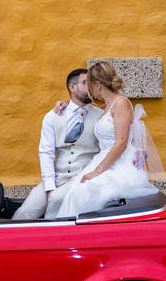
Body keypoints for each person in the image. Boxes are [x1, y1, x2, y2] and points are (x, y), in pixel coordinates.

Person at [47, 61, 160, 219]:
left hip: (118, 162)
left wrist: (97, 171)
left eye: (89, 85)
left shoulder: (121, 103)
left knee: (86, 192)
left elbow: (121, 142)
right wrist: (65, 105)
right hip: (102, 160)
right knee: (76, 192)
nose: (88, 90)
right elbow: (83, 110)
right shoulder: (105, 106)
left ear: (97, 85)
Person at [11, 69, 104, 220]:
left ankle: (48, 241)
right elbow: (46, 152)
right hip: (56, 177)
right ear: (72, 88)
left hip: (81, 178)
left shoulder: (101, 116)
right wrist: (49, 186)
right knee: (26, 211)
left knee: (56, 200)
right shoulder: (53, 116)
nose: (91, 87)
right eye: (85, 83)